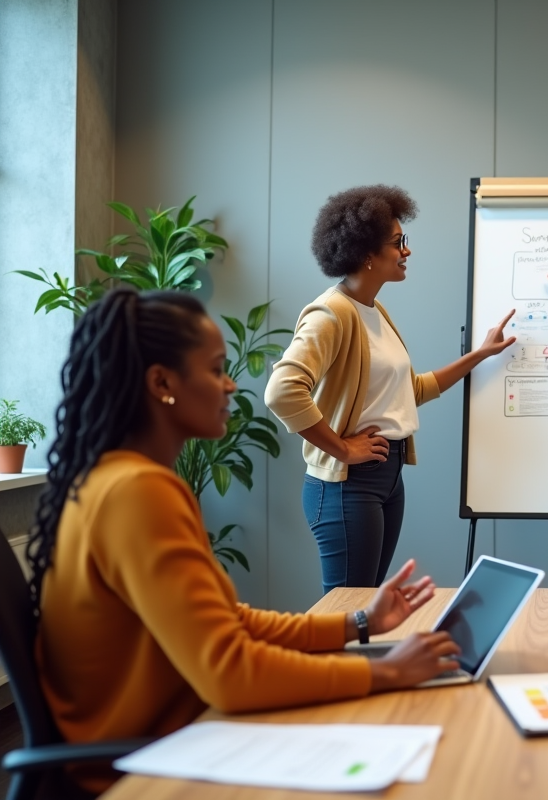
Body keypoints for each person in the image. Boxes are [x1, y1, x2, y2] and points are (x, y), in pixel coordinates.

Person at [28, 288, 463, 795]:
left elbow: (227, 622)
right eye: (215, 370)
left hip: (178, 738)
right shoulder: (137, 492)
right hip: (143, 769)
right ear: (162, 383)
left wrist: (359, 623)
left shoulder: (118, 478)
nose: (231, 384)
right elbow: (229, 673)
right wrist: (386, 675)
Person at [265, 185, 515, 594]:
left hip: (387, 477)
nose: (407, 251)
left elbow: (410, 391)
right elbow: (282, 391)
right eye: (398, 242)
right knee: (347, 612)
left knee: (363, 609)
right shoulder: (332, 314)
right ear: (367, 254)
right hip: (347, 484)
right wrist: (343, 449)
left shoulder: (373, 309)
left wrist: (480, 355)